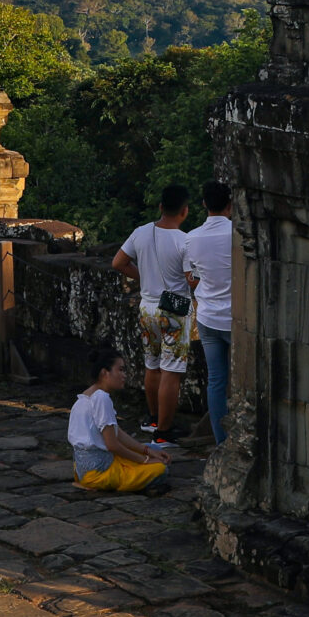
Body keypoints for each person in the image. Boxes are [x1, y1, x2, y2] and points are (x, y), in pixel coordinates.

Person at [111, 188, 194, 446]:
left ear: (160, 207)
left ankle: (154, 420)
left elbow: (118, 263)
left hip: (147, 306)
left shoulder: (141, 232)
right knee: (172, 370)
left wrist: (143, 277)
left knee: (152, 364)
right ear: (184, 211)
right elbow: (191, 280)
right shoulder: (185, 241)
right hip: (175, 310)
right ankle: (164, 433)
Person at [69, 347, 169, 492]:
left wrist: (147, 451)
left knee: (155, 449)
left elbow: (116, 433)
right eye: (120, 370)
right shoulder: (101, 398)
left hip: (83, 469)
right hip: (99, 471)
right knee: (161, 469)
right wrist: (145, 460)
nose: (125, 375)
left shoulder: (85, 397)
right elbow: (112, 445)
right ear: (105, 373)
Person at [184, 181, 237, 447]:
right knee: (243, 382)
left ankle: (221, 441)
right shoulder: (237, 234)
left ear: (204, 204)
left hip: (206, 316)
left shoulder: (191, 238)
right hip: (235, 318)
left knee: (216, 381)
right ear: (230, 205)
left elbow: (191, 277)